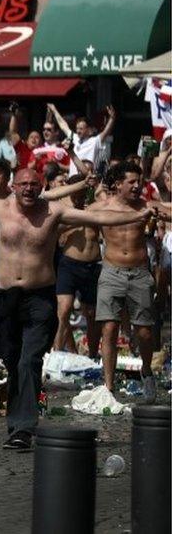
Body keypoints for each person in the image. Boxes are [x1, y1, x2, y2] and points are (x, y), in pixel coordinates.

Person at [0, 168, 153, 450]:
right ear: (13, 186)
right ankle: (18, 423)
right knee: (13, 363)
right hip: (6, 298)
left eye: (34, 184)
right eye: (23, 184)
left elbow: (97, 216)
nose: (28, 189)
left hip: (40, 299)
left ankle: (23, 428)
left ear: (42, 186)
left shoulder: (53, 212)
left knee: (29, 361)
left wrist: (136, 216)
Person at [91, 162, 171, 403]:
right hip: (111, 271)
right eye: (131, 182)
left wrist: (162, 215)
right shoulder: (101, 207)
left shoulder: (147, 206)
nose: (137, 186)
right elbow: (70, 215)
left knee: (144, 332)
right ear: (117, 185)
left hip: (138, 273)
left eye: (139, 182)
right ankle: (109, 385)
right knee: (109, 328)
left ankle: (146, 371)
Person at [52, 175, 103, 358]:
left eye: (80, 192)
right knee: (63, 309)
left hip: (93, 264)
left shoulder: (96, 208)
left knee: (91, 313)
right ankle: (57, 354)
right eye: (74, 192)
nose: (77, 196)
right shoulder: (63, 210)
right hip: (69, 264)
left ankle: (92, 355)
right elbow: (54, 232)